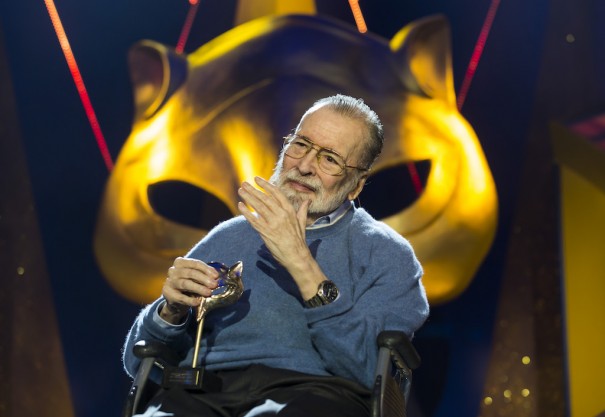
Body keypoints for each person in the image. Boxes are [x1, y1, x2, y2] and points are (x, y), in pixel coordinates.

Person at [123, 94, 429, 417]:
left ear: (356, 186)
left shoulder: (387, 255)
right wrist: (170, 313)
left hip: (313, 397)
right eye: (300, 145)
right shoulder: (228, 236)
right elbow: (138, 362)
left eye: (330, 159)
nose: (305, 166)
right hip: (204, 393)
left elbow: (368, 370)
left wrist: (301, 263)